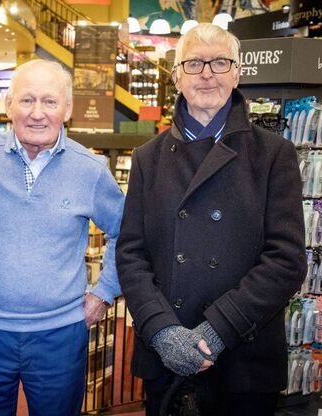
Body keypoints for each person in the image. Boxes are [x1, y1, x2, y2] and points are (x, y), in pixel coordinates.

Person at [116, 23, 306, 416]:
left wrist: (217, 330)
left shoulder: (274, 155)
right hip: (166, 358)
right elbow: (131, 255)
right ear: (176, 77)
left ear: (237, 73)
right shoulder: (147, 158)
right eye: (194, 63)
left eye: (220, 62)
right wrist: (163, 332)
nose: (206, 73)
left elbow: (286, 261)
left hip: (243, 360)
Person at [0, 59, 125, 416]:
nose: (37, 113)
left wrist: (104, 292)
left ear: (68, 109)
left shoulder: (90, 170)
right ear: (8, 106)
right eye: (26, 100)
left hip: (60, 335)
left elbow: (125, 232)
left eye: (49, 101)